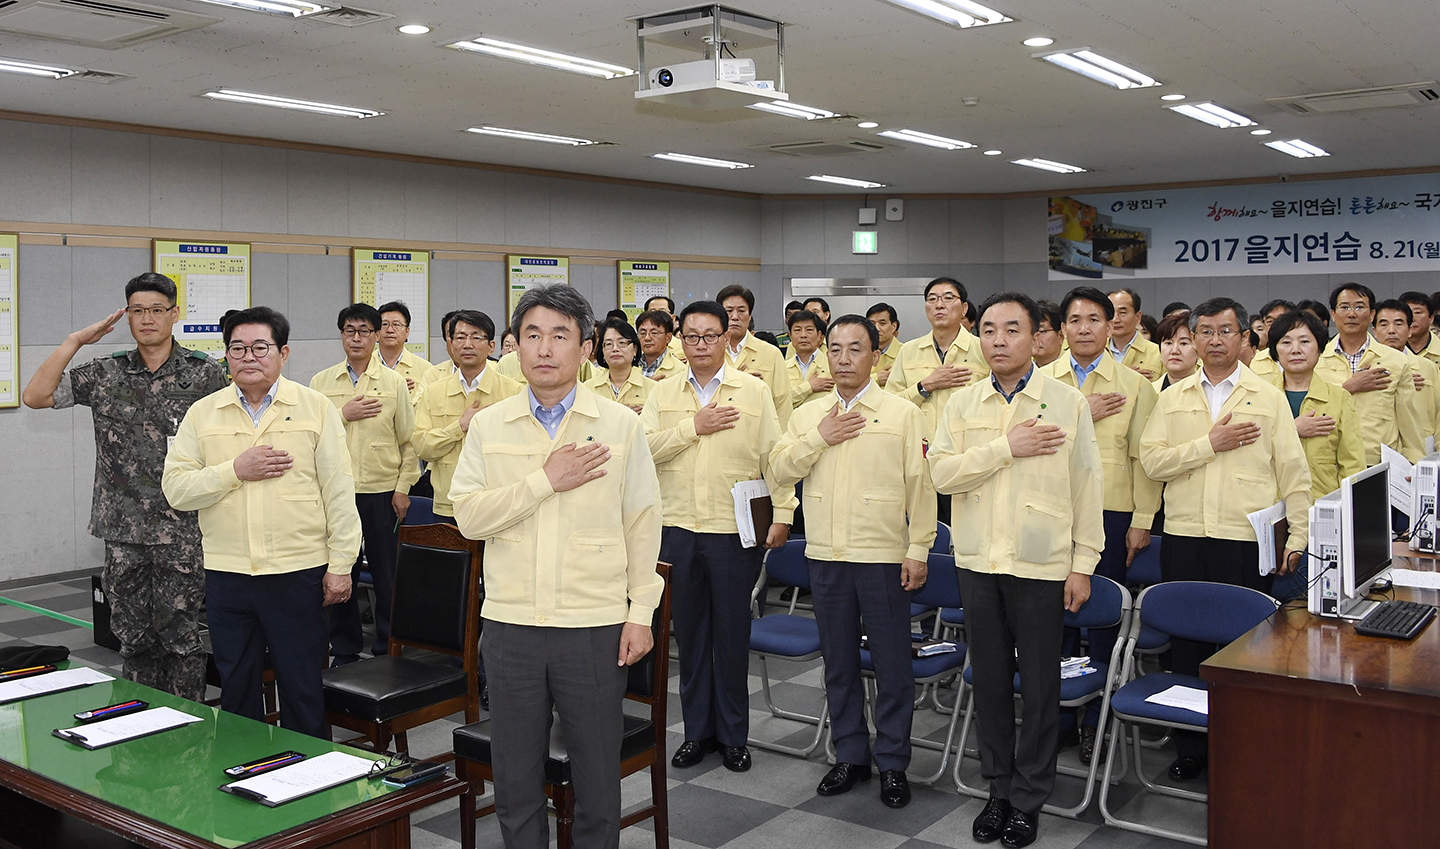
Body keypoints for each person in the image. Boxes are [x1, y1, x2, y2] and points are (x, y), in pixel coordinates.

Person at [448, 285, 663, 849]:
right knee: (515, 780)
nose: (546, 349)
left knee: (597, 780)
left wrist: (640, 613)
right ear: (514, 347)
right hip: (512, 625)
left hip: (592, 626)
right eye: (533, 336)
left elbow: (643, 524)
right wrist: (545, 480)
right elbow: (468, 517)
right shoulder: (489, 425)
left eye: (561, 336)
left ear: (586, 348)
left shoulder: (620, 425)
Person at [928, 292, 1103, 849]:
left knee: (1042, 686)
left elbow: (1087, 487)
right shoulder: (963, 402)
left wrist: (1082, 564)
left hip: (1042, 563)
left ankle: (1030, 798)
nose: (998, 341)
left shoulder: (1066, 402)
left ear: (1037, 338)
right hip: (979, 561)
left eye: (1011, 330)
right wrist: (1006, 447)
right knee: (992, 683)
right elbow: (943, 475)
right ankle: (997, 790)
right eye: (988, 330)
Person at [21, 272, 227, 700]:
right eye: (137, 310)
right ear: (126, 316)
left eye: (156, 310)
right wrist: (75, 340)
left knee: (181, 639)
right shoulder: (105, 373)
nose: (147, 319)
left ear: (174, 314)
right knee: (133, 640)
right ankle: (139, 725)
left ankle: (187, 729)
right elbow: (36, 396)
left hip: (184, 528)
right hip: (123, 532)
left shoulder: (205, 374)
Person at [162, 307, 361, 737]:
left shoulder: (315, 408)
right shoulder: (203, 413)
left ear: (283, 352)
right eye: (237, 348)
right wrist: (235, 469)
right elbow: (176, 490)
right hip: (227, 576)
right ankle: (244, 781)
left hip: (297, 573)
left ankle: (309, 785)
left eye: (259, 347)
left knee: (302, 687)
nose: (248, 356)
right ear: (226, 356)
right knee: (236, 690)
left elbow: (340, 493)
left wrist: (342, 565)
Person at [1139, 297, 1311, 782]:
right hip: (1185, 536)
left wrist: (1296, 535)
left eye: (1226, 331)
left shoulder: (1268, 395)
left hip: (1245, 539)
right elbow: (1152, 463)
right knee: (1187, 645)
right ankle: (1192, 745)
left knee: (1247, 646)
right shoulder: (1171, 397)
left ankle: (1241, 740)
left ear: (1245, 338)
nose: (1216, 340)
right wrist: (1206, 446)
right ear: (1192, 339)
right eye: (1206, 332)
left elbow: (1294, 474)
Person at [768, 315, 934, 809]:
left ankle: (894, 763)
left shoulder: (902, 412)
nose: (843, 359)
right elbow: (778, 469)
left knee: (891, 667)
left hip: (883, 556)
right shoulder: (807, 415)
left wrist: (919, 549)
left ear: (875, 356)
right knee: (838, 663)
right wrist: (820, 436)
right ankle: (850, 755)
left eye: (854, 349)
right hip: (826, 555)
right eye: (834, 349)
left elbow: (921, 488)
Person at [642, 300, 795, 774]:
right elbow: (642, 450)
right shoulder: (662, 392)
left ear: (726, 337)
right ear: (678, 341)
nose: (702, 344)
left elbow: (776, 456)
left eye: (711, 335)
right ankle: (696, 733)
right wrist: (693, 426)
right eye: (692, 336)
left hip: (735, 532)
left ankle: (733, 736)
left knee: (731, 635)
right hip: (679, 530)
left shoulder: (752, 391)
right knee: (688, 637)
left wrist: (784, 512)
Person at [1045, 286, 1161, 766]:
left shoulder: (1135, 386)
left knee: (1102, 620)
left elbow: (1143, 459)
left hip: (1110, 513)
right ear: (1062, 329)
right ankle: (1059, 718)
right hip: (1050, 511)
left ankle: (1097, 720)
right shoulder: (1040, 381)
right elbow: (1035, 442)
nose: (1085, 328)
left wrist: (1141, 521)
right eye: (1075, 320)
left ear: (1111, 325)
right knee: (1053, 621)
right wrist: (1080, 418)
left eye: (1095, 319)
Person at [310, 304, 418, 664]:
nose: (356, 338)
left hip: (382, 493)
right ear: (341, 335)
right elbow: (312, 438)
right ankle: (343, 649)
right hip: (337, 495)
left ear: (375, 336)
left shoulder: (394, 383)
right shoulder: (321, 384)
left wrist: (403, 488)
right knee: (341, 574)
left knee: (388, 577)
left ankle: (387, 648)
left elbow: (408, 441)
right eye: (349, 330)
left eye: (364, 331)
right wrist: (344, 414)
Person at [884, 277, 990, 523]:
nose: (939, 305)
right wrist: (925, 386)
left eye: (948, 298)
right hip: (920, 463)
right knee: (924, 538)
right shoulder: (908, 352)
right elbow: (889, 406)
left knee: (968, 535)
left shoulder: (983, 350)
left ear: (964, 308)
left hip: (968, 463)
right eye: (932, 299)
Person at [413, 310, 523, 521]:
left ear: (491, 346)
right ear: (451, 343)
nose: (467, 344)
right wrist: (459, 426)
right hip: (448, 505)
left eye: (476, 337)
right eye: (460, 337)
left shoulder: (513, 392)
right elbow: (422, 447)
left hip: (497, 503)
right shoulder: (433, 391)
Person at [1314, 284, 1426, 464]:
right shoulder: (1315, 359)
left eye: (1359, 307)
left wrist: (1414, 463)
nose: (1352, 314)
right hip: (1328, 463)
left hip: (1379, 464)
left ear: (1372, 314)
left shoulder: (1396, 360)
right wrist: (1349, 387)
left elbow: (1410, 424)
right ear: (1333, 314)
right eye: (1344, 307)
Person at [1267, 307, 1364, 503]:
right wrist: (1293, 429)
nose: (1296, 350)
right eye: (1286, 342)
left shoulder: (1339, 398)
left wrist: (1347, 507)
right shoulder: (1262, 397)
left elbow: (1352, 463)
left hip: (1323, 504)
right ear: (1275, 351)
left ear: (1319, 348)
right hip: (1272, 506)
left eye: (1305, 342)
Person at [718, 284, 792, 428]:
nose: (734, 317)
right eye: (728, 311)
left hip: (759, 435)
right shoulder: (707, 352)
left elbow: (782, 405)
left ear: (750, 315)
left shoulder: (771, 353)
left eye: (741, 311)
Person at [1374, 300, 1440, 451]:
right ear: (1374, 331)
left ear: (1410, 330)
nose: (1391, 331)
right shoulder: (1365, 369)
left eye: (1398, 324)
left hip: (1421, 448)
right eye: (1384, 324)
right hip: (1379, 450)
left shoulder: (1427, 367)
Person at [585, 317, 652, 413]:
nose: (615, 348)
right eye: (608, 344)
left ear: (635, 349)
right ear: (602, 351)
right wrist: (620, 415)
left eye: (622, 342)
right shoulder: (588, 388)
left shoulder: (653, 388)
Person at [376, 300, 432, 393]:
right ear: (377, 331)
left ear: (407, 332)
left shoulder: (426, 369)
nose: (390, 330)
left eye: (396, 325)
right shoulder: (366, 365)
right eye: (384, 324)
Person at [1107, 288, 1162, 380]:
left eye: (1123, 313)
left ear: (1137, 317)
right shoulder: (1094, 353)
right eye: (1111, 313)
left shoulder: (1158, 353)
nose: (1116, 319)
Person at [785, 309, 832, 409]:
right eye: (797, 330)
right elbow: (778, 403)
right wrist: (809, 387)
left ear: (819, 336)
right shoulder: (782, 368)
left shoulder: (832, 366)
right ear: (790, 336)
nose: (803, 335)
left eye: (809, 330)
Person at [1246, 300, 1297, 380]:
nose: (1276, 325)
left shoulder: (1310, 356)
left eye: (1281, 319)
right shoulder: (1253, 361)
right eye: (1270, 321)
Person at [636, 309, 687, 380]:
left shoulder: (681, 370)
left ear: (668, 338)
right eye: (643, 333)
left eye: (654, 333)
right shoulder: (629, 365)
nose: (647, 338)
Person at [1154, 311, 1198, 392]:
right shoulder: (1150, 392)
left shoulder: (1208, 392)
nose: (1174, 351)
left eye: (1183, 343)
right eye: (1168, 343)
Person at [419, 310, 463, 387]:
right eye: (451, 335)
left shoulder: (491, 370)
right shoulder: (433, 374)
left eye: (461, 336)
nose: (466, 344)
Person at [865, 302, 902, 385]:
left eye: (882, 323)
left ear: (894, 326)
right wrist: (876, 378)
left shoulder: (906, 352)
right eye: (872, 324)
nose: (877, 328)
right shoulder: (860, 352)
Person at [644, 294, 687, 363]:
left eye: (662, 312)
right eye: (653, 312)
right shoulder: (638, 346)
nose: (657, 317)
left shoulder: (684, 346)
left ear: (673, 318)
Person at [1402, 291, 1440, 367]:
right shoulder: (1390, 349)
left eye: (1417, 313)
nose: (1412, 319)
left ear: (1431, 318)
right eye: (1408, 313)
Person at [1033, 300, 1065, 367]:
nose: (1034, 337)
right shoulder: (1021, 369)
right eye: (1032, 331)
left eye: (1042, 331)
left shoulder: (1072, 366)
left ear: (1060, 336)